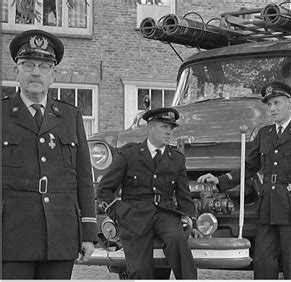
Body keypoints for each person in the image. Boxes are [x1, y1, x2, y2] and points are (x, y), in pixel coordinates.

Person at [197, 82, 291, 279]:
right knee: (263, 262)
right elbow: (249, 167)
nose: (272, 109)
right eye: (269, 105)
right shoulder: (265, 134)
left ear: (289, 102)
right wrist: (220, 180)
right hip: (268, 208)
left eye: (277, 103)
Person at [2, 29, 97, 279]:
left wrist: (88, 233)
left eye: (44, 66)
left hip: (60, 234)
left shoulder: (70, 116)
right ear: (16, 72)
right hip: (11, 236)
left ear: (53, 75)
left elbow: (84, 178)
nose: (36, 72)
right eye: (28, 64)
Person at [96, 107, 197, 279]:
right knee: (140, 270)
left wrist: (191, 219)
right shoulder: (129, 155)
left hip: (165, 213)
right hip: (135, 216)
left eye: (171, 128)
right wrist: (118, 212)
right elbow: (104, 188)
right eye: (164, 127)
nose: (169, 132)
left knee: (179, 244)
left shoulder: (177, 159)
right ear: (150, 128)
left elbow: (183, 195)